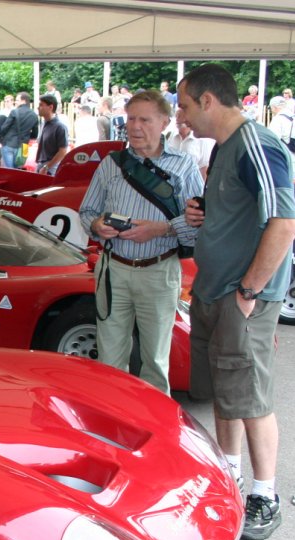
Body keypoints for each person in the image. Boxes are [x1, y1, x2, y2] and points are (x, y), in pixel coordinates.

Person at [178, 63, 295, 540]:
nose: (182, 117)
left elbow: (284, 223)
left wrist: (249, 291)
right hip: (215, 290)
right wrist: (204, 214)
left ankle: (265, 496)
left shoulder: (256, 145)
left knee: (250, 397)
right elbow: (242, 212)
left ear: (208, 101)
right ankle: (230, 476)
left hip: (240, 297)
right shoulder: (226, 148)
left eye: (185, 105)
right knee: (227, 393)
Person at [80, 89, 203, 395]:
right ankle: (113, 416)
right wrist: (96, 225)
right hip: (114, 269)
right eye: (131, 118)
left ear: (164, 123)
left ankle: (153, 421)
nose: (135, 126)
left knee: (156, 361)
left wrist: (162, 229)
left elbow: (200, 223)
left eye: (145, 120)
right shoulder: (112, 163)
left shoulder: (184, 165)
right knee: (109, 359)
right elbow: (87, 212)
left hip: (159, 271)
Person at [0, 92, 38, 168]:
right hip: (24, 147)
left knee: (9, 170)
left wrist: (2, 139)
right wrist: (27, 136)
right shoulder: (34, 115)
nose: (15, 102)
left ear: (23, 101)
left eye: (17, 100)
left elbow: (4, 128)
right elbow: (35, 134)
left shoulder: (14, 112)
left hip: (9, 144)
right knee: (19, 171)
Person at [34, 95, 69, 175]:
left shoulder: (60, 127)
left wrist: (47, 167)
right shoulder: (44, 124)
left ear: (50, 107)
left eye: (41, 105)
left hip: (51, 169)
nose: (38, 107)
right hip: (41, 166)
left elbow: (63, 151)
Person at [266, 95, 295, 167]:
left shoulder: (278, 119)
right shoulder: (293, 117)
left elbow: (272, 139)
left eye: (270, 108)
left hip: (286, 156)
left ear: (274, 107)